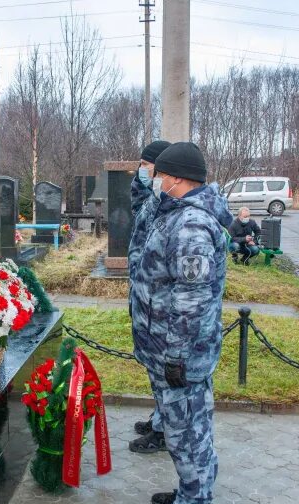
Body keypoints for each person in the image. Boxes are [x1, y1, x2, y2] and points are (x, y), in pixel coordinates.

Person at [130, 142, 231, 504]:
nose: (154, 180)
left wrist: (175, 356)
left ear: (174, 178)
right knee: (186, 427)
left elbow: (191, 300)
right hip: (168, 350)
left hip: (180, 355)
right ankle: (192, 492)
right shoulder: (177, 212)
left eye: (158, 174)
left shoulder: (191, 225)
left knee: (188, 430)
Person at [128, 140, 171, 454]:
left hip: (160, 304)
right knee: (154, 371)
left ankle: (164, 429)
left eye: (147, 164)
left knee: (163, 372)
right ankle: (160, 418)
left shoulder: (168, 200)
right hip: (145, 299)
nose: (141, 169)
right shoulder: (150, 195)